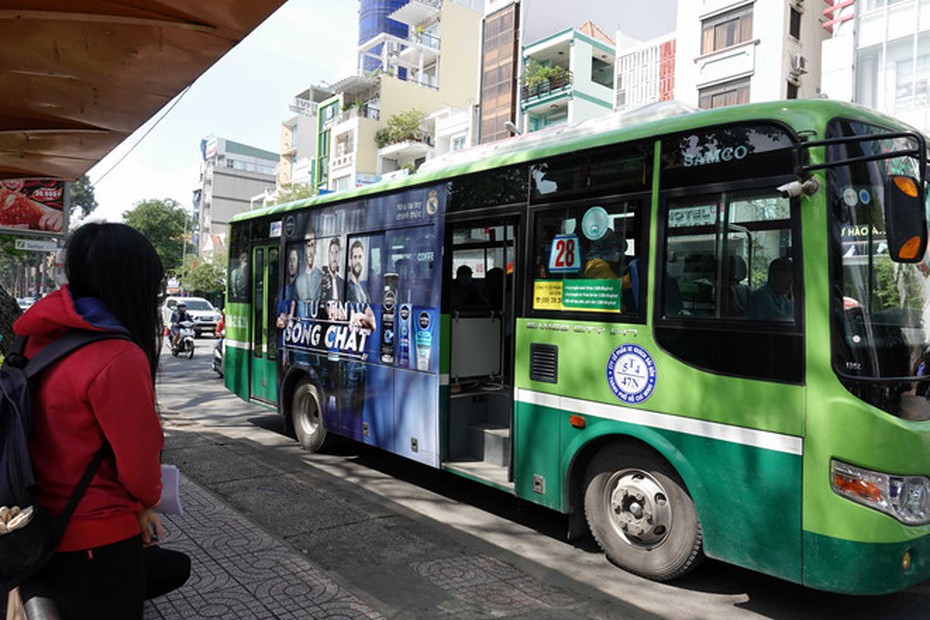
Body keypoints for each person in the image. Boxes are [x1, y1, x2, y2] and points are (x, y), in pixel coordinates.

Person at [13, 222, 190, 619]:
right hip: (95, 538)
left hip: (34, 523)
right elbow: (139, 467)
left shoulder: (36, 335)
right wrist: (146, 503)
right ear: (134, 283)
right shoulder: (116, 356)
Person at [746, 257, 794, 321]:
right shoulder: (761, 297)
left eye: (791, 282)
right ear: (774, 276)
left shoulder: (784, 300)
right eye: (788, 281)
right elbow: (777, 323)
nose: (790, 285)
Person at [294, 231, 321, 307]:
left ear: (315, 248)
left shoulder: (321, 276)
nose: (310, 252)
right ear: (304, 249)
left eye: (312, 245)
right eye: (308, 246)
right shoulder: (298, 280)